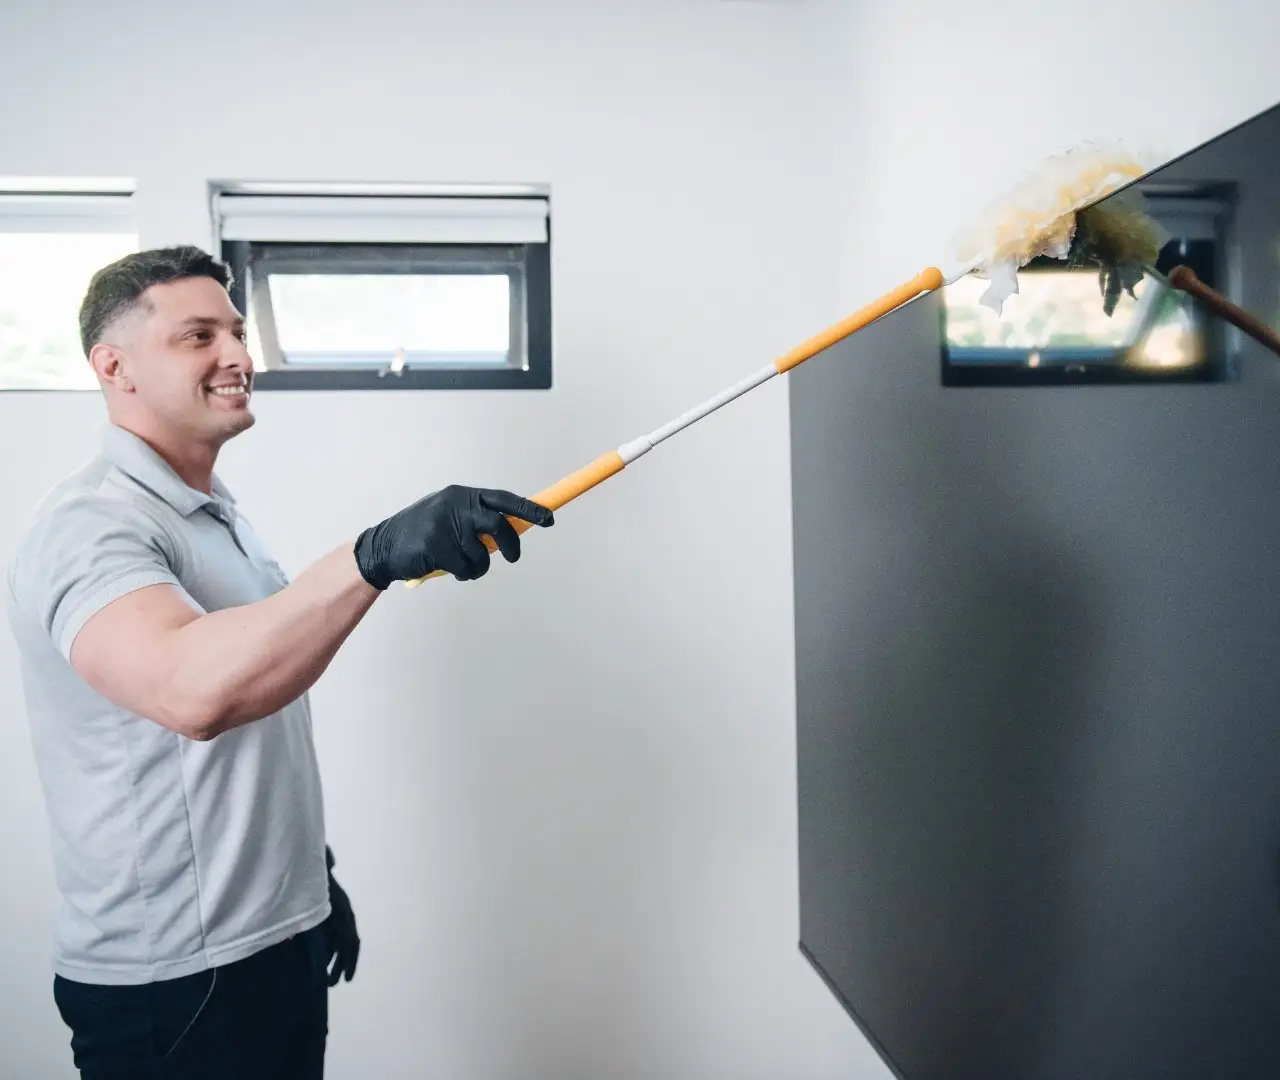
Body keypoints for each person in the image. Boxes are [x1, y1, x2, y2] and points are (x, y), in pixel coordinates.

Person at [4, 246, 554, 1079]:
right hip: (179, 980)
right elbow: (191, 691)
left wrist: (307, 877)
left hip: (272, 938)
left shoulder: (210, 513)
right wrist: (374, 554)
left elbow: (259, 690)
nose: (237, 355)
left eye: (237, 331)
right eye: (199, 336)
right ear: (113, 367)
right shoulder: (90, 526)